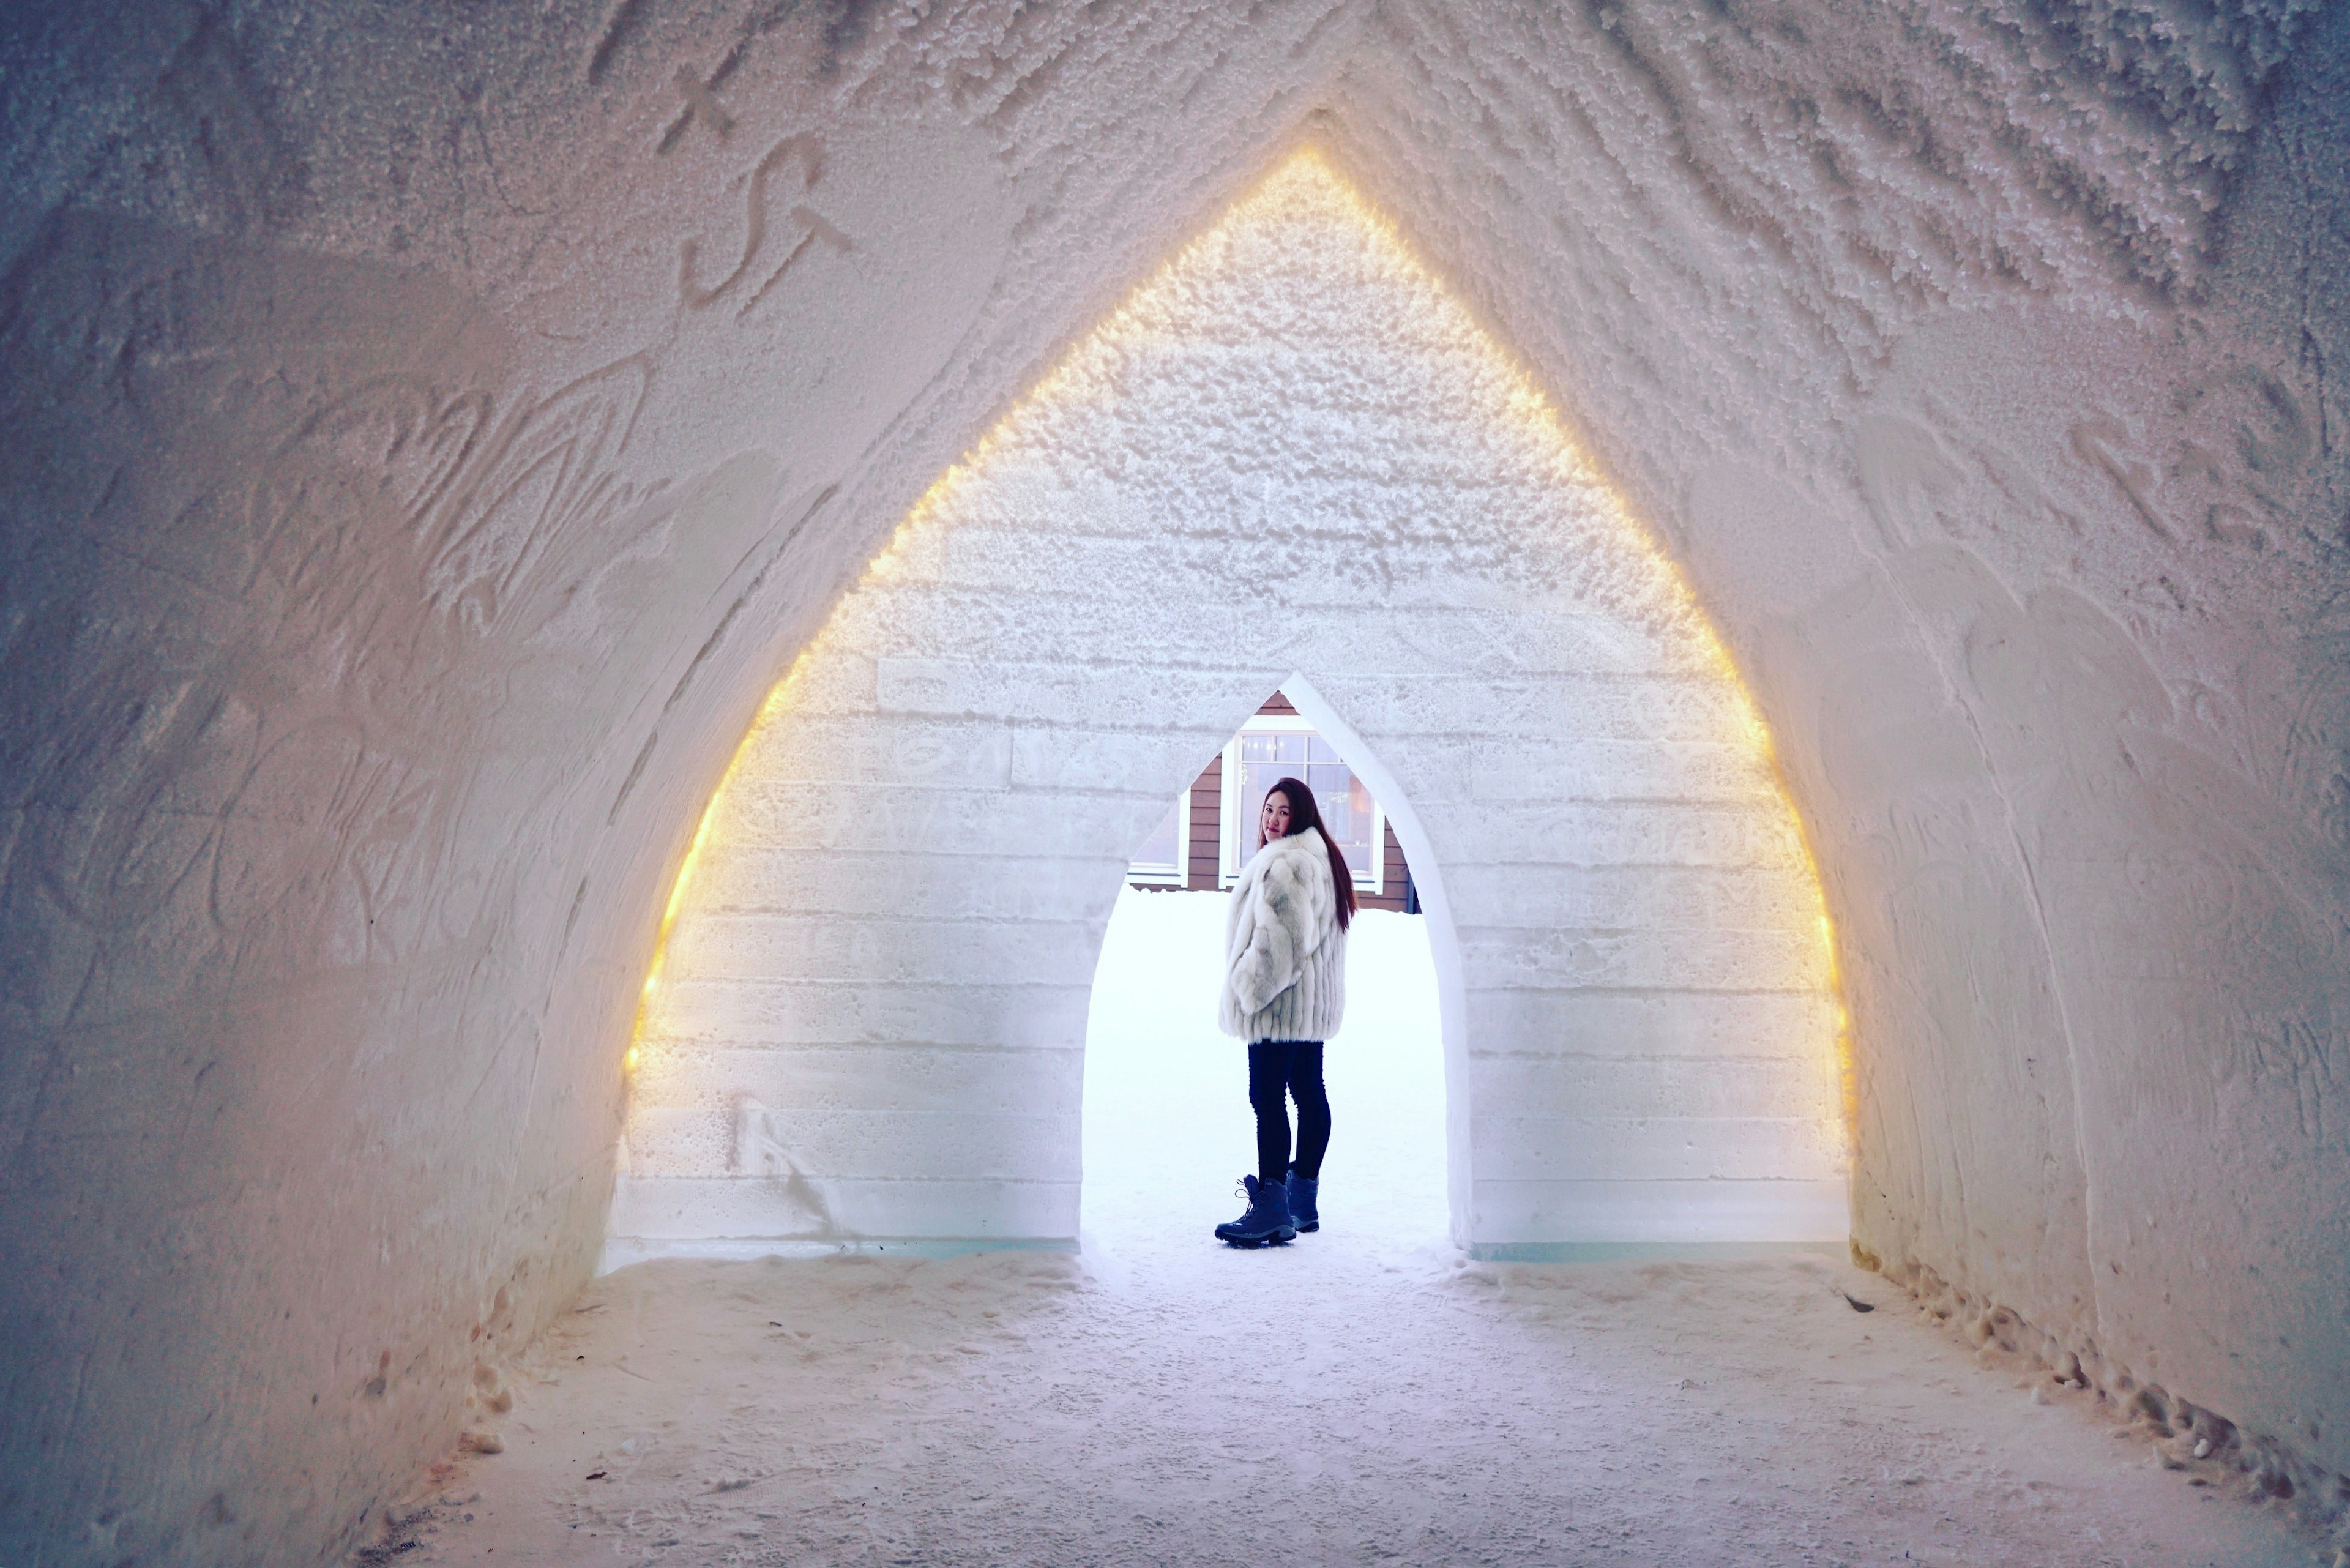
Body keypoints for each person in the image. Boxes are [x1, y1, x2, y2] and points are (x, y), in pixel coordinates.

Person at [1212, 775, 1354, 1246]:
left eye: (1284, 812)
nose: (1273, 820)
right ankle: (1301, 1200)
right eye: (1268, 810)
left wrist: (1247, 988)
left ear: (1302, 816)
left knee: (1267, 1097)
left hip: (1279, 1004)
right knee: (1308, 1091)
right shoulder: (1320, 859)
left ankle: (1272, 1207)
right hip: (1307, 1007)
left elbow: (1283, 945)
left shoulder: (1289, 865)